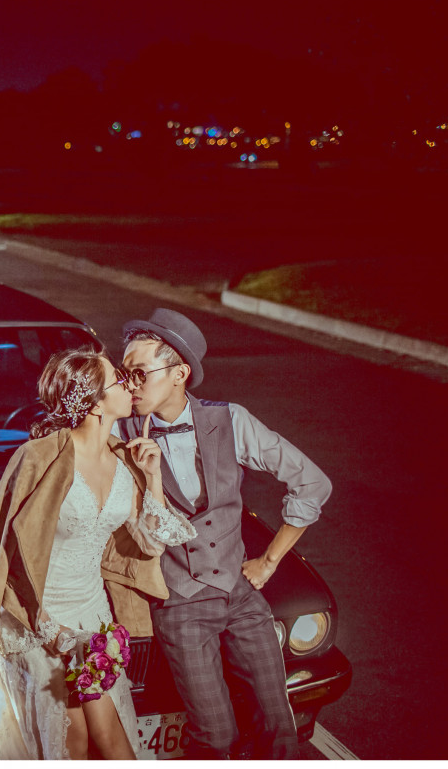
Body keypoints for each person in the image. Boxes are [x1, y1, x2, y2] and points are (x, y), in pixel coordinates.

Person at [116, 308, 333, 759]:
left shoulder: (231, 421)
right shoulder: (118, 432)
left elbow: (312, 482)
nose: (130, 385)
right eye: (125, 374)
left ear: (179, 374)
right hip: (179, 605)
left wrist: (268, 561)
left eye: (139, 373)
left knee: (279, 728)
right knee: (215, 738)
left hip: (240, 596)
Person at [0, 345, 196, 760]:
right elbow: (1, 549)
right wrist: (51, 631)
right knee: (71, 742)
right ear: (95, 403)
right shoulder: (38, 457)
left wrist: (152, 477)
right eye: (118, 379)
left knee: (110, 735)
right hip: (36, 618)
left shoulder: (125, 458)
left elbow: (150, 543)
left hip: (93, 617)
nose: (130, 385)